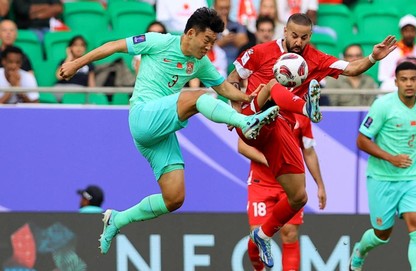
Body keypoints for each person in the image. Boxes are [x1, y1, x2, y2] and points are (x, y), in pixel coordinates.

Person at [59, 7, 280, 255]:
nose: (209, 47)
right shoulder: (158, 41)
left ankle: (117, 220)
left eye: (213, 42)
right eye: (207, 40)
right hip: (143, 117)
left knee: (174, 198)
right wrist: (77, 63)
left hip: (160, 134)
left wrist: (247, 96)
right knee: (195, 97)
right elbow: (113, 46)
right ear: (191, 33)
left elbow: (224, 89)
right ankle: (244, 123)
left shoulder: (200, 63)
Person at [228, 13, 396, 267]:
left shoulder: (315, 58)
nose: (298, 41)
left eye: (304, 37)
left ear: (310, 37)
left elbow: (350, 68)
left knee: (299, 197)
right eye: (294, 35)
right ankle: (306, 108)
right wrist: (234, 111)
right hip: (254, 119)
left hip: (281, 128)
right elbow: (233, 78)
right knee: (274, 84)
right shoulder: (260, 52)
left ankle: (262, 236)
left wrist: (372, 57)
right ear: (284, 31)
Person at [350, 61, 416, 271]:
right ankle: (360, 251)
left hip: (412, 177)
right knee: (382, 234)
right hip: (382, 178)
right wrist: (390, 158)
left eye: (413, 79)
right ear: (396, 81)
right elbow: (362, 140)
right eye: (404, 79)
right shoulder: (383, 106)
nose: (409, 83)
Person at [239, 113, 326, 271]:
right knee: (257, 234)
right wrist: (271, 160)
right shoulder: (263, 109)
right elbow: (242, 145)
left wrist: (320, 184)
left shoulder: (301, 113)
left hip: (290, 185)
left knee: (290, 232)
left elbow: (308, 151)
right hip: (261, 183)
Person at [378, 14, 416, 83]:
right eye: (406, 30)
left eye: (412, 30)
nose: (409, 34)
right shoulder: (390, 51)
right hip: (394, 85)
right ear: (401, 32)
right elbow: (384, 78)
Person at [214, 0, 249, 66]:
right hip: (216, 65)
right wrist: (223, 41)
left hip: (234, 64)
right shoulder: (210, 26)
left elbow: (244, 44)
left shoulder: (237, 25)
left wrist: (227, 35)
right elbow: (208, 47)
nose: (224, 11)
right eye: (221, 8)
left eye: (227, 8)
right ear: (215, 7)